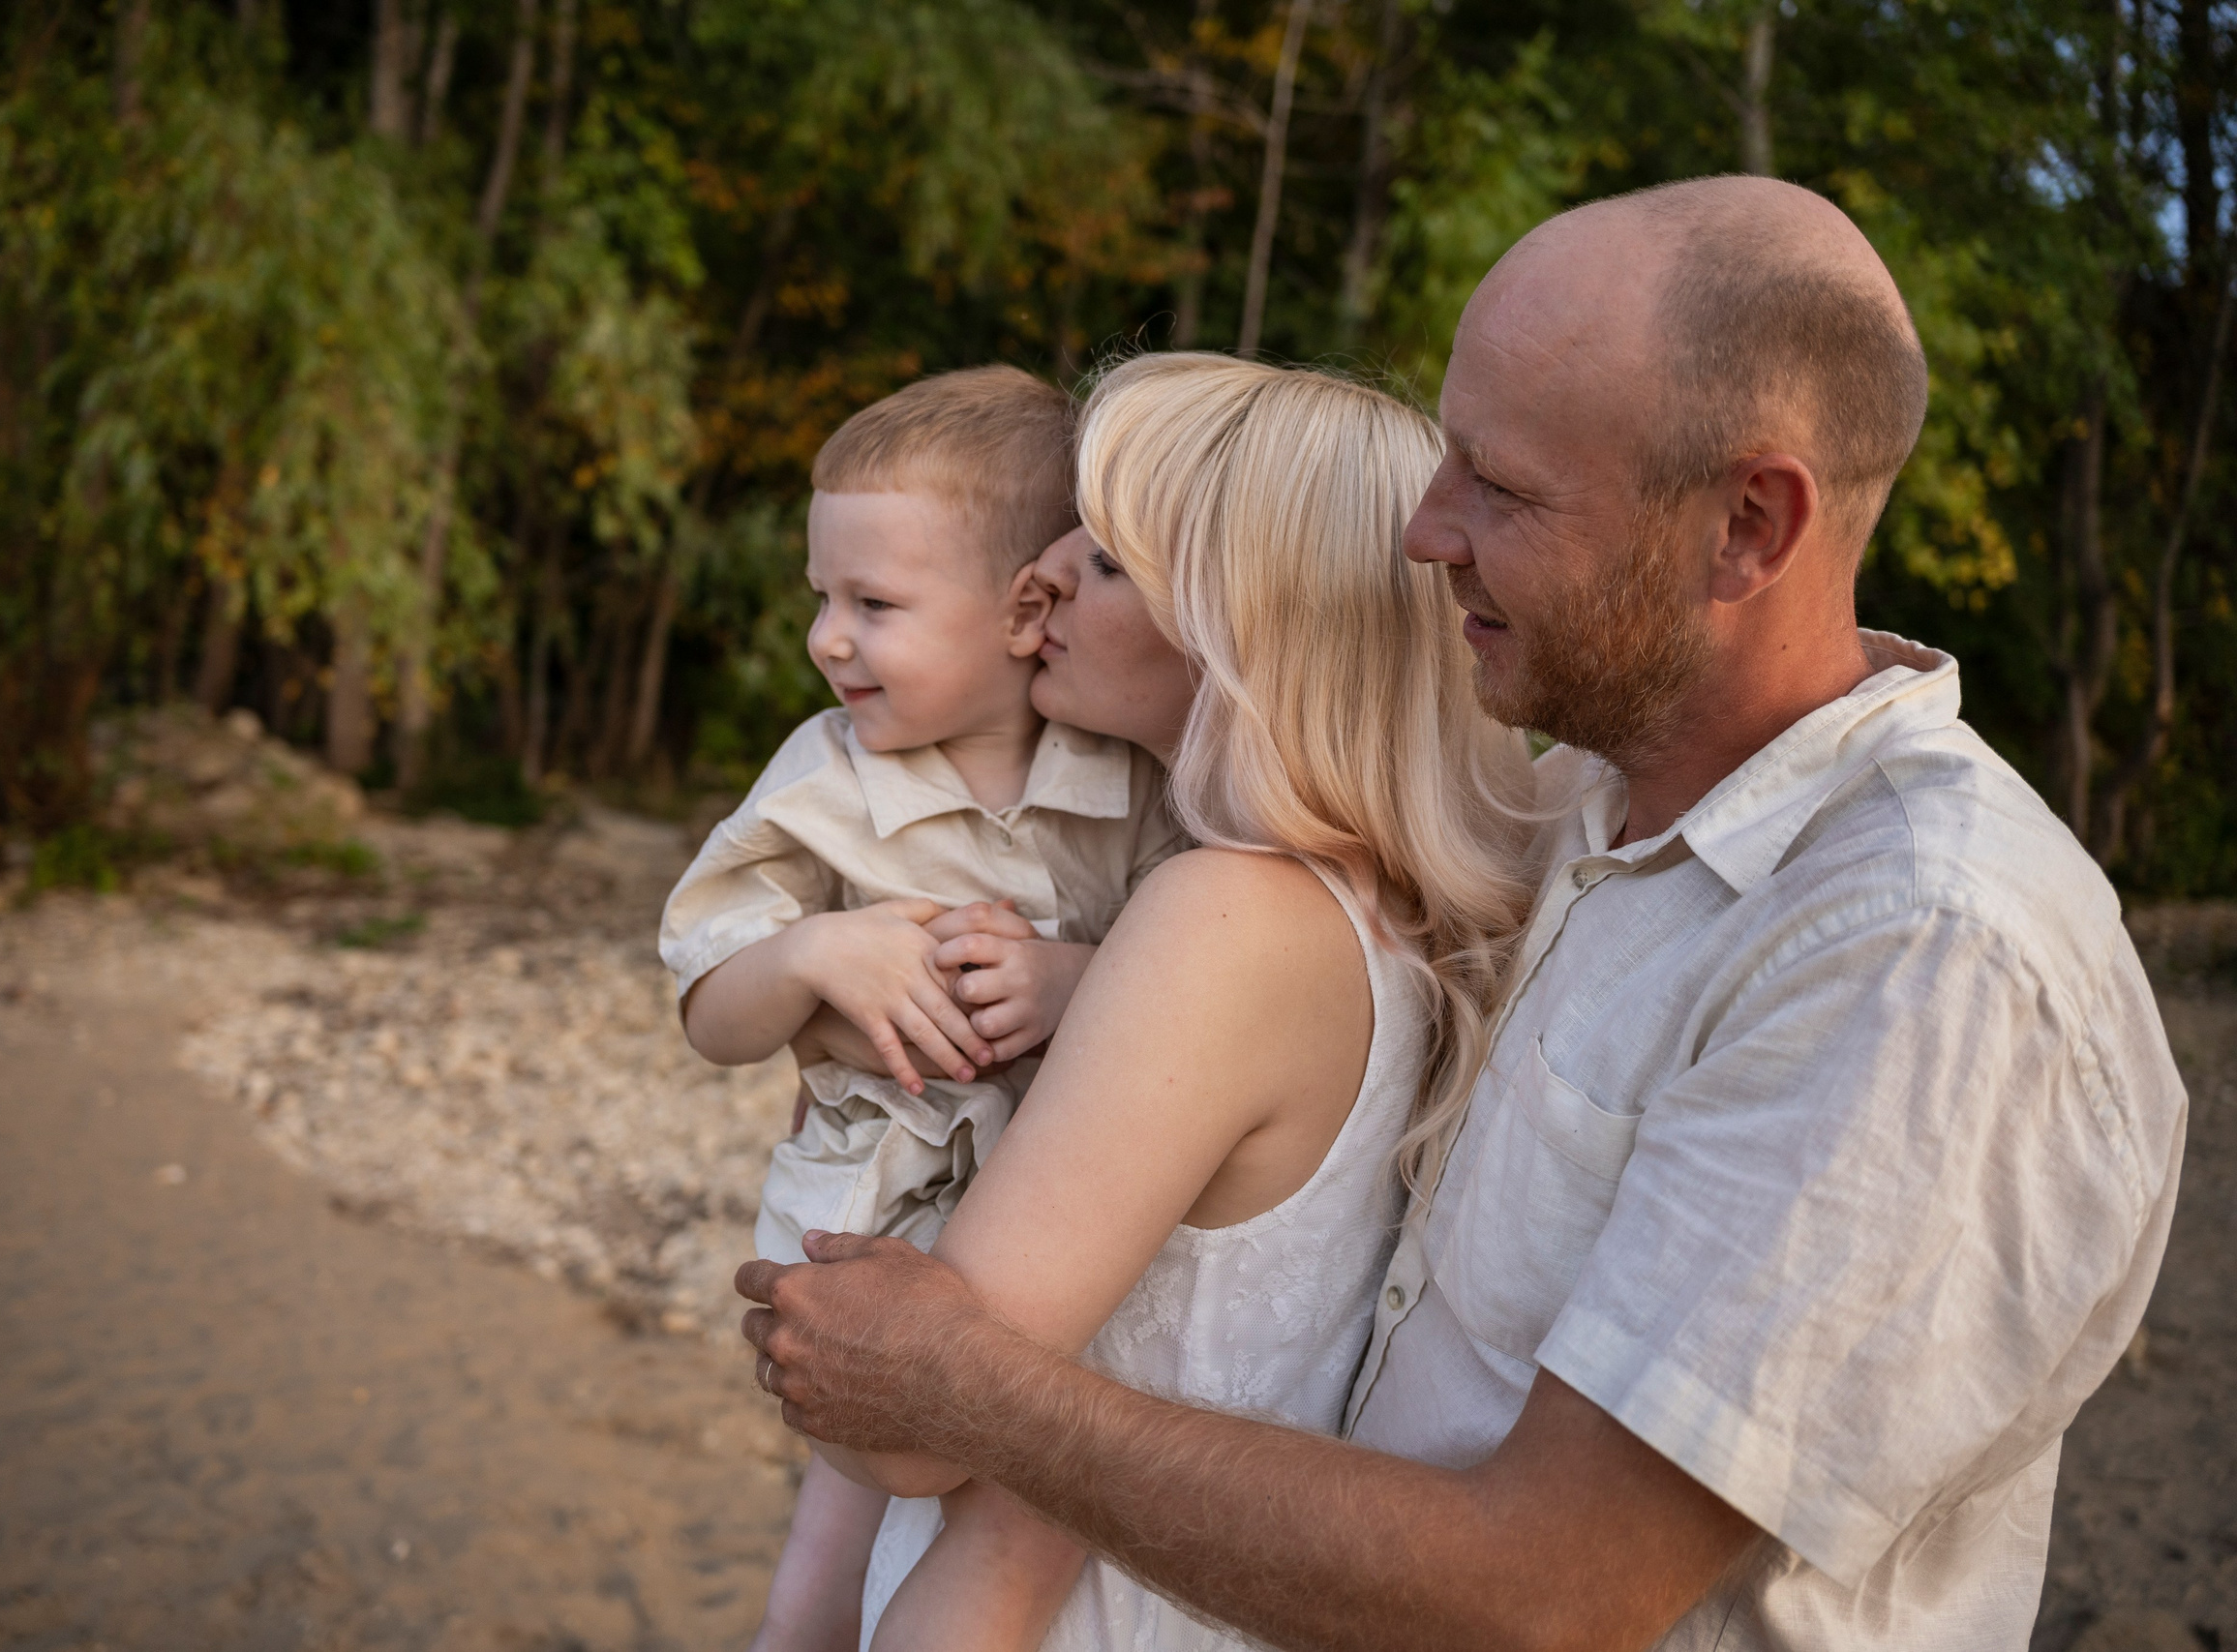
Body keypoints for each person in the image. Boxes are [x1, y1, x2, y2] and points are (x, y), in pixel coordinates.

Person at [737, 175, 2190, 1651]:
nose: (1424, 536)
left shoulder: (1923, 950)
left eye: (1501, 487)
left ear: (1749, 525)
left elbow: (1551, 1593)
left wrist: (970, 1388)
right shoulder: (1556, 819)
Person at [839, 352, 1537, 1652]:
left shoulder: (1228, 921)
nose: (1038, 574)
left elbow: (908, 1427)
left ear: (1241, 624)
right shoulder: (1362, 914)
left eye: (1103, 558)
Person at [658, 363, 1185, 1652]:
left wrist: (1071, 980)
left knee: (1017, 1551)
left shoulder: (1125, 779)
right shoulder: (824, 781)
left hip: (1067, 1248)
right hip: (862, 1240)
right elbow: (711, 1015)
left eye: (874, 604)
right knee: (827, 1576)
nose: (828, 639)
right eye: (821, 600)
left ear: (1024, 611)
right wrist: (815, 956)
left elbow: (1181, 968)